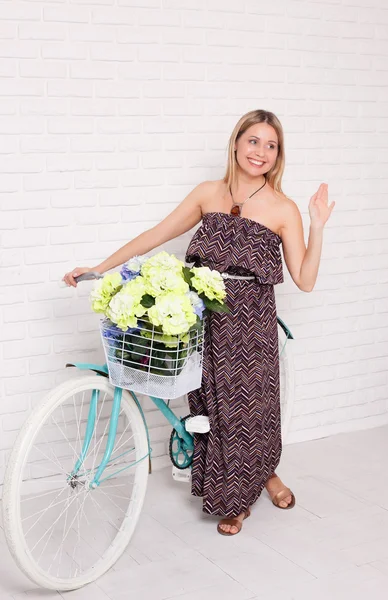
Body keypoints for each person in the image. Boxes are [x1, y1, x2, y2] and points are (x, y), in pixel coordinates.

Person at [63, 109, 335, 536]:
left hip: (250, 323)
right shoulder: (209, 193)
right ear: (235, 143)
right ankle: (243, 485)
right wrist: (100, 268)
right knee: (211, 408)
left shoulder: (283, 208)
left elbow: (305, 280)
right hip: (202, 317)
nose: (260, 152)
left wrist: (317, 226)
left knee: (250, 409)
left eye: (271, 145)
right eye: (253, 141)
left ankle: (248, 492)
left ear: (278, 155)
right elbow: (156, 234)